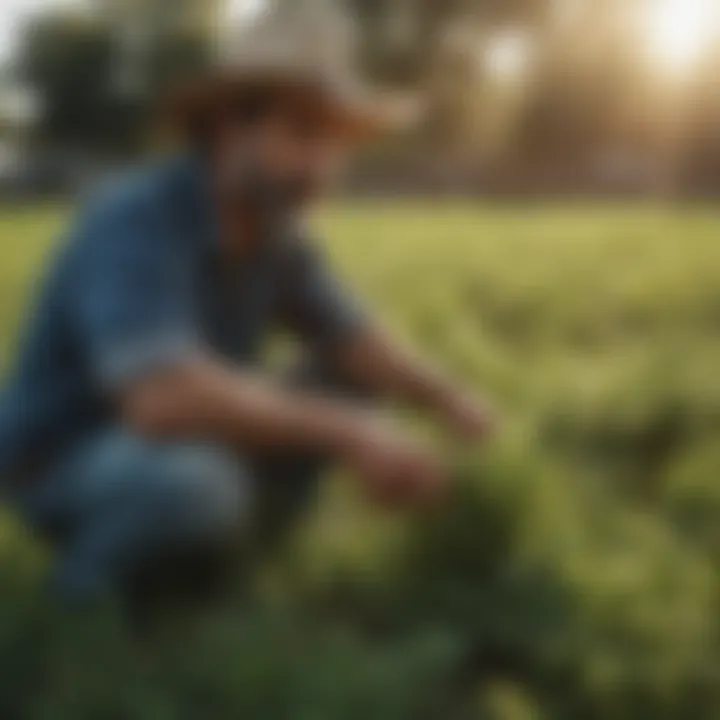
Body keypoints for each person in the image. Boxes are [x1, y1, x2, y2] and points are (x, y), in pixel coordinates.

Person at [0, 3, 492, 605]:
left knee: (347, 380)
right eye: (304, 134)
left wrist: (450, 402)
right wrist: (355, 433)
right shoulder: (137, 218)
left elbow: (357, 341)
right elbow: (161, 399)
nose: (320, 167)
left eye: (334, 143)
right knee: (196, 487)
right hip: (63, 456)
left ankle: (235, 564)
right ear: (230, 127)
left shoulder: (275, 232)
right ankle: (78, 603)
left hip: (171, 444)